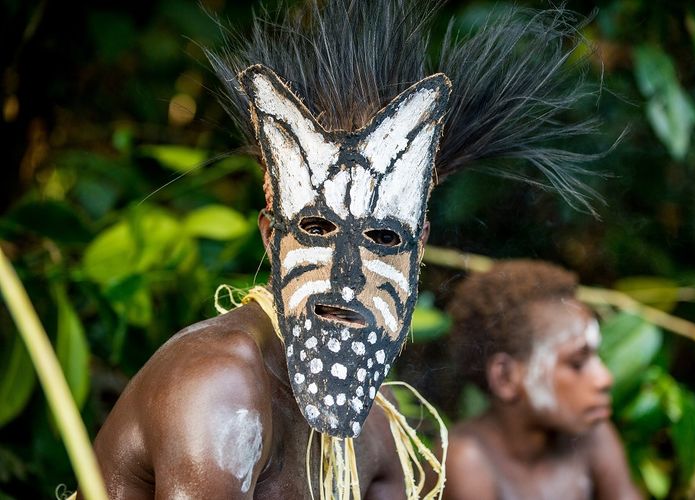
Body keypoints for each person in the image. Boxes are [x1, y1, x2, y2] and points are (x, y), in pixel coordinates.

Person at [82, 1, 608, 497]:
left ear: (417, 248)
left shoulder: (376, 430)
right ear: (272, 234)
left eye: (382, 239)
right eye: (317, 229)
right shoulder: (220, 388)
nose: (348, 276)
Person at [443, 260, 642, 500]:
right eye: (577, 364)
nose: (604, 379)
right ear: (505, 377)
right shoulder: (468, 462)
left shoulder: (592, 435)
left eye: (596, 358)